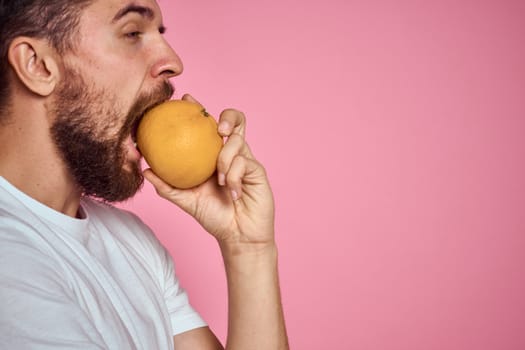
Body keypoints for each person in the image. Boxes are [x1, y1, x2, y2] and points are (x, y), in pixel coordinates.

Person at [0, 0, 289, 349]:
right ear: (38, 65)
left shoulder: (131, 240)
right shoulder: (11, 267)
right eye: (132, 32)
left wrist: (247, 247)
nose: (174, 63)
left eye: (159, 34)